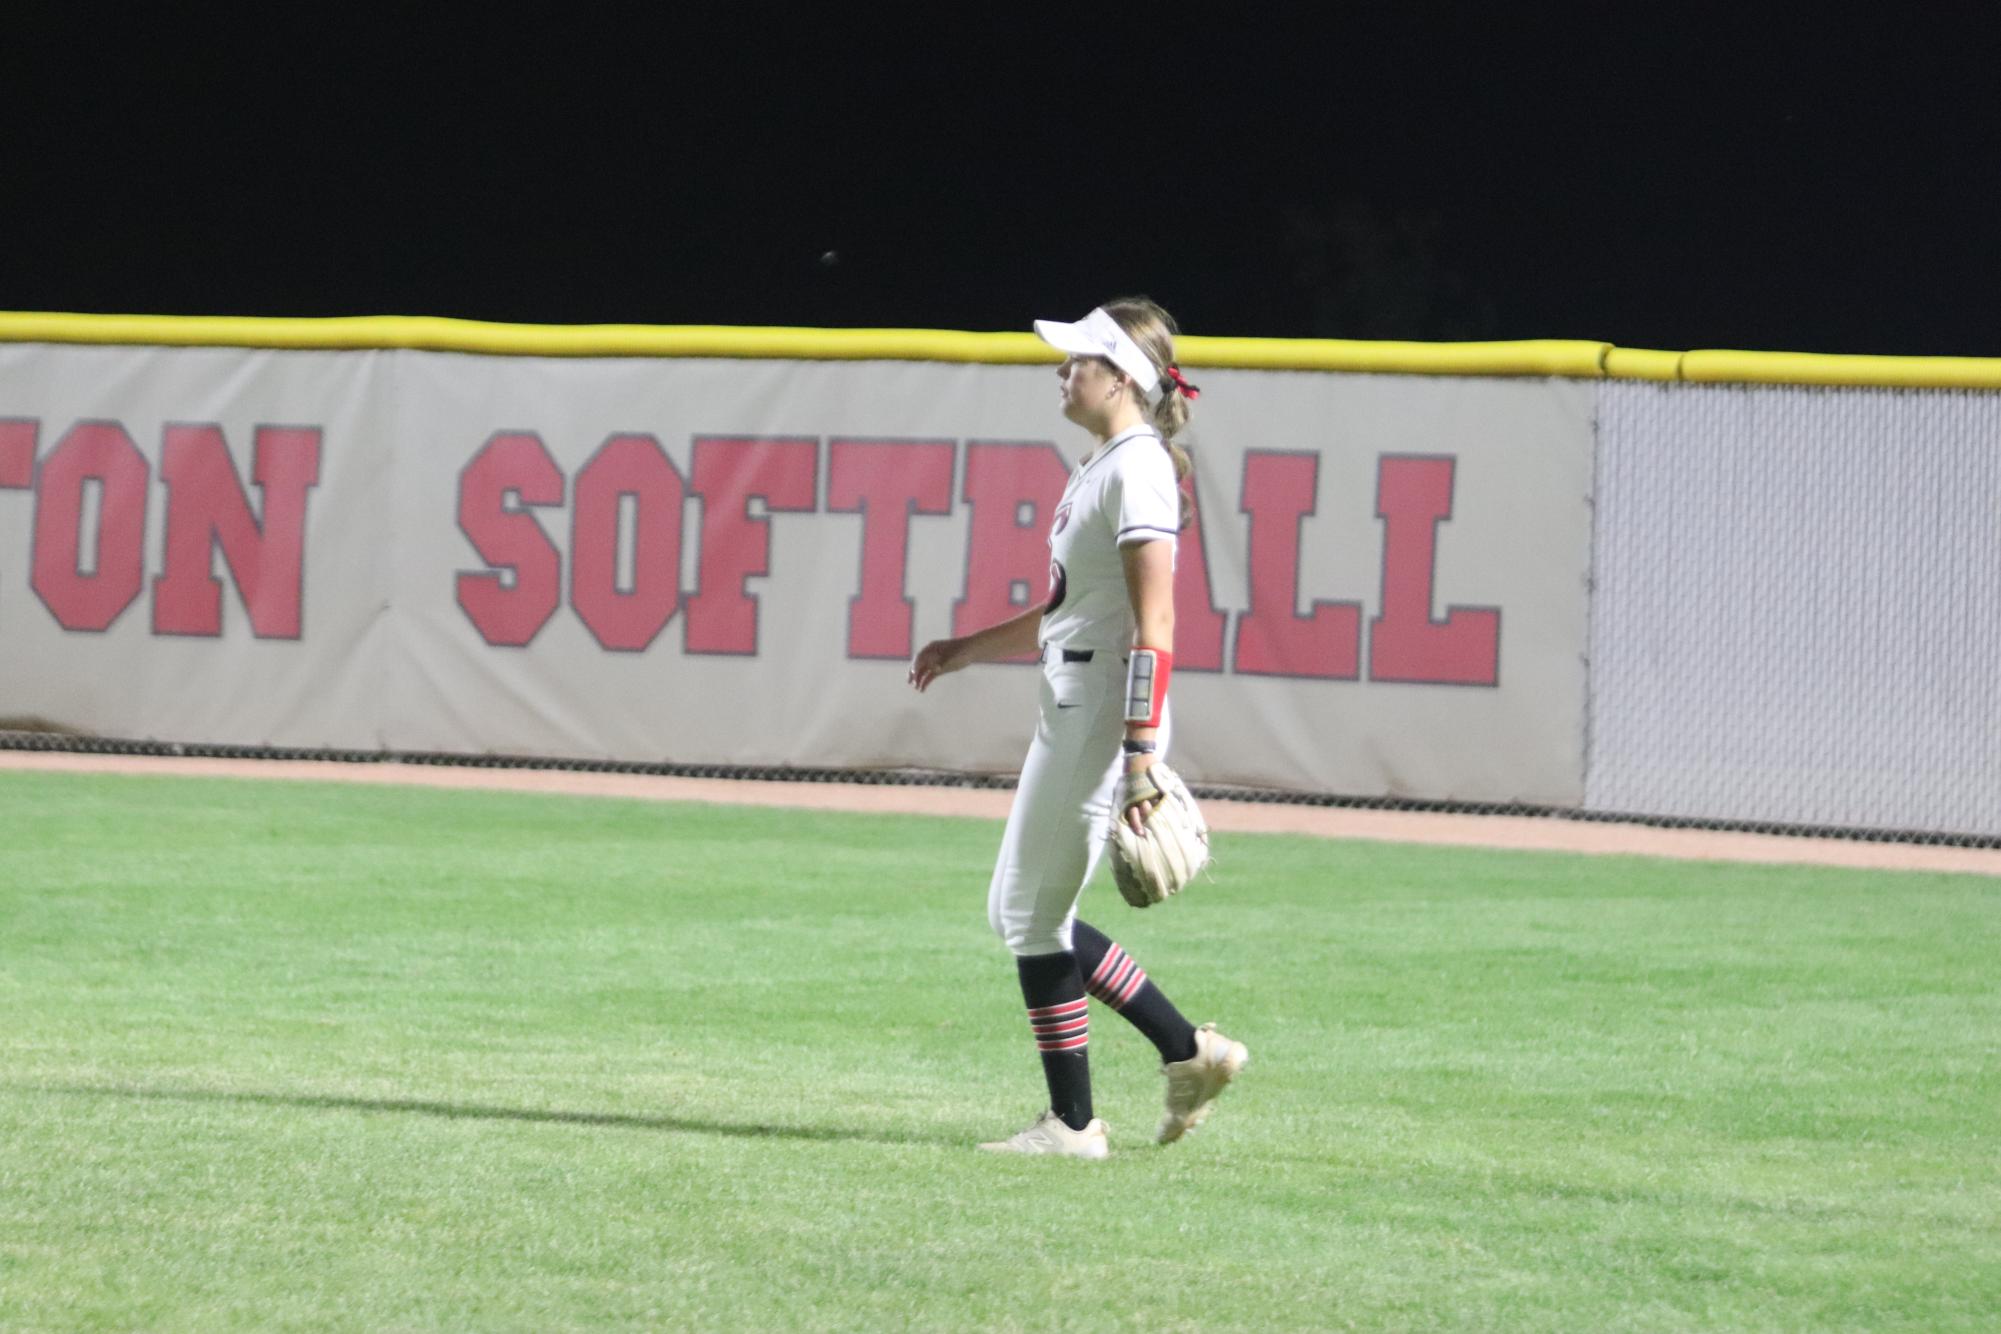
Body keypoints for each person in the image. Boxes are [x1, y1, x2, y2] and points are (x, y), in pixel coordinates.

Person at [908, 298, 1248, 1158]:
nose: (1062, 373)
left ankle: (1074, 1122)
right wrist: (963, 649)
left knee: (1029, 917)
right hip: (1074, 701)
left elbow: (1154, 623)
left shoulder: (1136, 469)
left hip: (1101, 714)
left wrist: (1138, 753)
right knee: (1020, 911)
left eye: (1077, 361)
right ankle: (1185, 1052)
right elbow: (1068, 613)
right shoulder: (1105, 463)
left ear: (1121, 377)